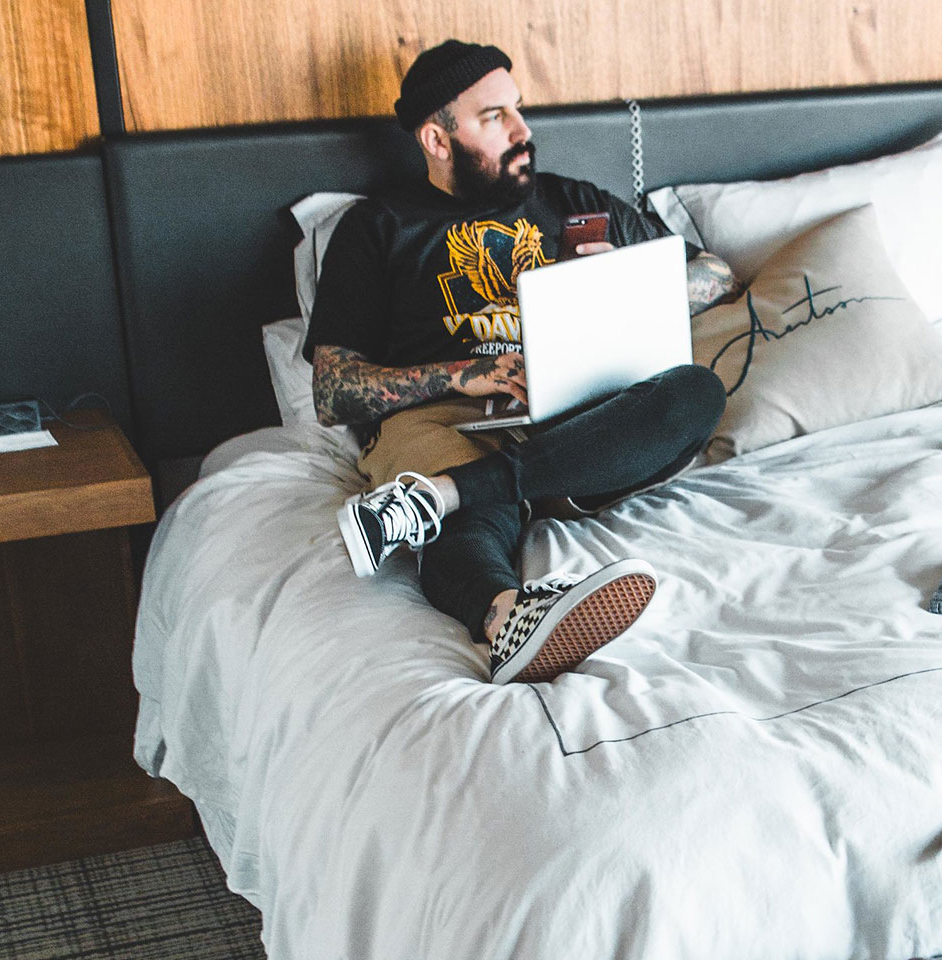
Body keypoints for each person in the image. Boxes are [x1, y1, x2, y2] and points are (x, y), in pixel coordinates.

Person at [304, 40, 737, 684]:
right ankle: (511, 618)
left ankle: (438, 498)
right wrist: (462, 375)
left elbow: (717, 274)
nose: (522, 130)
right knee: (470, 522)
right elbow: (332, 392)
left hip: (577, 414)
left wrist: (624, 280)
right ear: (437, 139)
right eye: (494, 117)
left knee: (696, 392)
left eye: (518, 109)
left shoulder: (576, 202)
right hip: (446, 419)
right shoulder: (378, 228)